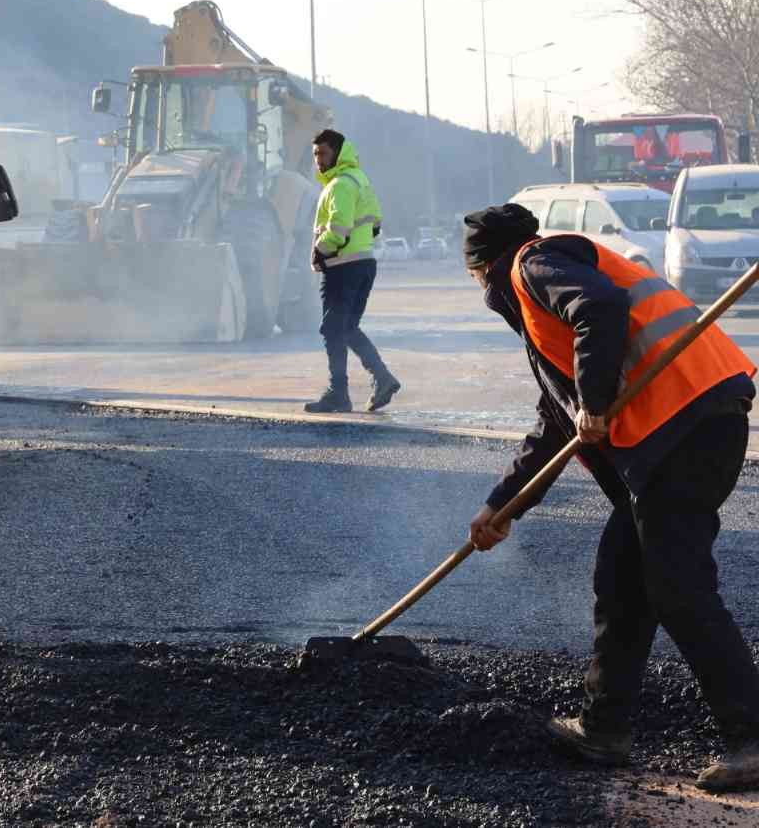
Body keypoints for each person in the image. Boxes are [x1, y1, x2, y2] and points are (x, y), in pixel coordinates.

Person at [462, 202, 759, 792]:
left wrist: (595, 401)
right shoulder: (546, 305)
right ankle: (604, 730)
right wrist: (502, 506)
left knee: (677, 584)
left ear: (487, 266)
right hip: (685, 424)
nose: (478, 290)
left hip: (685, 422)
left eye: (473, 278)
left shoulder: (531, 265)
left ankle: (752, 738)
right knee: (622, 577)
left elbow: (600, 309)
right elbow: (556, 422)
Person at [304, 128, 400, 413]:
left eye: (323, 153)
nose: (318, 160)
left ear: (338, 153)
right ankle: (381, 378)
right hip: (363, 264)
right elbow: (375, 224)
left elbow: (338, 228)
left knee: (333, 329)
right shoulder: (360, 180)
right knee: (345, 328)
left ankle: (340, 393)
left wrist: (319, 250)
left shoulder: (339, 186)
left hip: (342, 267)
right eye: (315, 155)